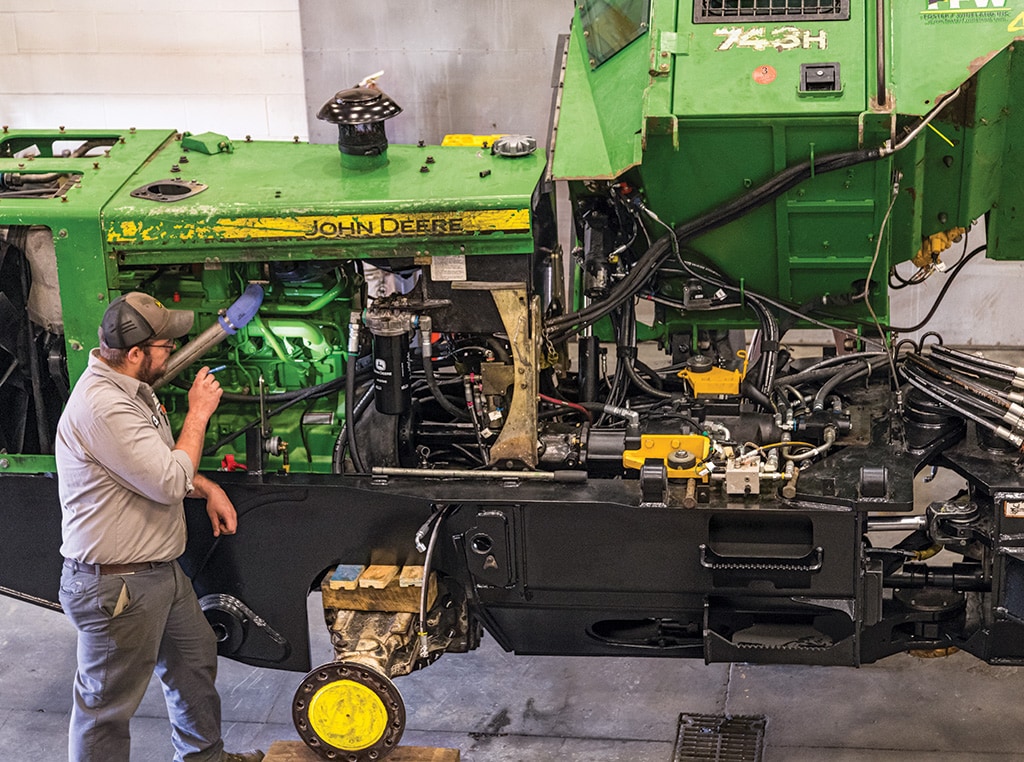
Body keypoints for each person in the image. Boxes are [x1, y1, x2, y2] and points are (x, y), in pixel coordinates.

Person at [55, 292, 264, 762]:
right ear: (134, 354)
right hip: (117, 584)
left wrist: (205, 487)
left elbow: (153, 468)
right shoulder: (104, 406)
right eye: (166, 347)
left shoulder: (134, 392)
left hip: (159, 572)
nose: (172, 352)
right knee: (104, 709)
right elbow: (168, 481)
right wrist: (198, 413)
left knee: (194, 664)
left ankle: (203, 759)